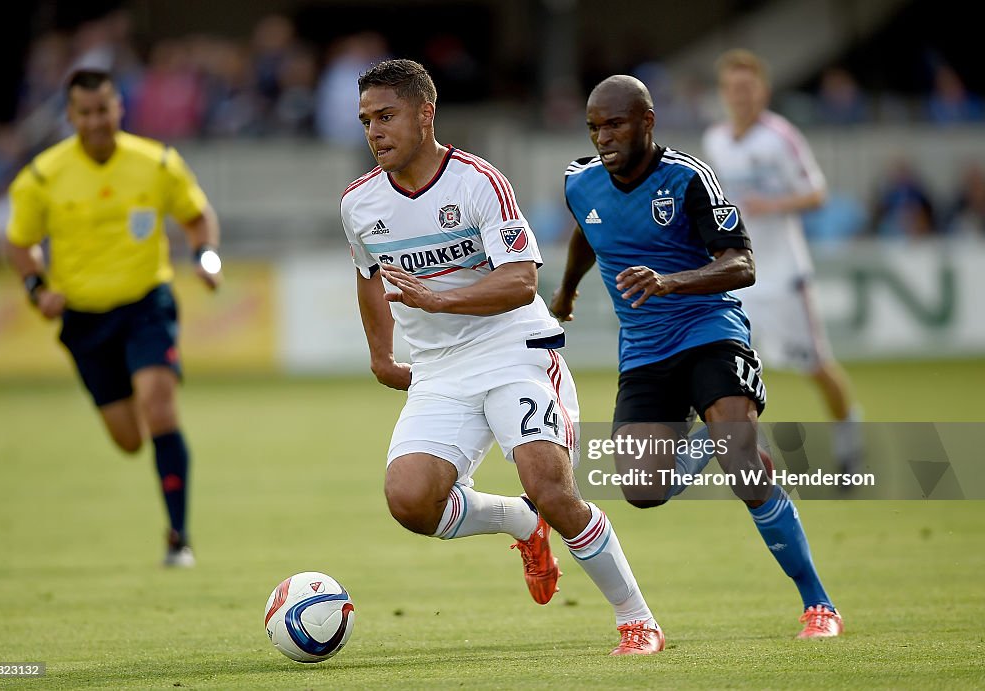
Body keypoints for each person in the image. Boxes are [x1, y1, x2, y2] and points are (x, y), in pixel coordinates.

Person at [340, 59, 663, 656]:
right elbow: (369, 278)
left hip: (513, 349)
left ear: (424, 113)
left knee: (551, 487)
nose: (374, 131)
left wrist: (438, 298)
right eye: (366, 121)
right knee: (410, 501)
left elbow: (520, 281)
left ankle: (636, 619)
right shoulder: (359, 204)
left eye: (386, 116)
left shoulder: (476, 181)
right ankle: (519, 522)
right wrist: (381, 354)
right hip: (440, 370)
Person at [550, 73, 843, 639]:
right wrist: (566, 291)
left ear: (647, 122)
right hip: (642, 351)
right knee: (641, 490)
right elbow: (589, 230)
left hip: (709, 329)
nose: (603, 138)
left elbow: (742, 264)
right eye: (594, 127)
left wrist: (670, 281)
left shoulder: (688, 179)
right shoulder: (580, 182)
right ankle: (714, 436)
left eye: (615, 124)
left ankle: (819, 604)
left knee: (744, 468)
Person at [5, 69, 223, 568]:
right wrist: (36, 288)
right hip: (84, 321)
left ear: (118, 109)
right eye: (85, 113)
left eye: (104, 110)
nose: (96, 121)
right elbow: (19, 243)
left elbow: (196, 215)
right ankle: (159, 471)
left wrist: (206, 256)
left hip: (147, 304)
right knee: (129, 439)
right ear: (71, 115)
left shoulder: (156, 162)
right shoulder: (42, 176)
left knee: (160, 406)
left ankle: (178, 538)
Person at [701, 49, 862, 473]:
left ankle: (849, 437)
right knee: (732, 369)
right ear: (724, 93)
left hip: (785, 276)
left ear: (763, 90)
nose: (741, 96)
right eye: (734, 88)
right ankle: (751, 456)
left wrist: (771, 204)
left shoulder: (781, 137)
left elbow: (817, 193)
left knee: (815, 365)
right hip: (740, 278)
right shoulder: (715, 140)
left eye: (748, 87)